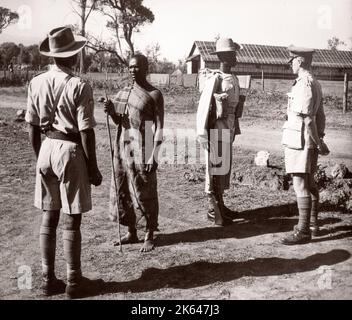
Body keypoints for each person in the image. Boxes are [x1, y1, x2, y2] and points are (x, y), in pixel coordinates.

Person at [25, 26, 102, 298]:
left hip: (46, 147)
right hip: (70, 149)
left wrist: (40, 159)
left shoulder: (36, 82)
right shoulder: (80, 85)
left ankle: (48, 279)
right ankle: (74, 282)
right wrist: (92, 167)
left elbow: (32, 128)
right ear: (74, 55)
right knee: (72, 218)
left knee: (49, 216)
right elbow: (86, 131)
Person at [104, 54, 164, 252]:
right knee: (124, 188)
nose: (132, 70)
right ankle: (131, 231)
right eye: (130, 67)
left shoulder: (154, 94)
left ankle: (149, 233)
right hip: (124, 146)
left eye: (137, 67)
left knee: (144, 189)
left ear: (146, 68)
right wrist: (111, 111)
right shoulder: (124, 92)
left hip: (144, 144)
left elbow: (160, 127)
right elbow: (119, 122)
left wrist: (153, 154)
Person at [280, 46, 328, 245]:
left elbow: (309, 120)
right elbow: (321, 116)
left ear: (299, 61)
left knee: (301, 185)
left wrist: (318, 143)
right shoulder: (314, 82)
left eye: (291, 61)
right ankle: (313, 224)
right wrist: (320, 139)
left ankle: (303, 230)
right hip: (307, 141)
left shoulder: (304, 84)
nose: (290, 65)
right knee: (310, 183)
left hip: (300, 142)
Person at [196, 38, 245, 226]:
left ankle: (220, 205)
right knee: (214, 169)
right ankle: (212, 208)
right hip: (216, 129)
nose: (235, 57)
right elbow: (203, 109)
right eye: (231, 54)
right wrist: (203, 134)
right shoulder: (214, 78)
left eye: (234, 53)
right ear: (223, 57)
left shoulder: (234, 79)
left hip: (228, 129)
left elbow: (236, 109)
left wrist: (235, 129)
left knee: (223, 169)